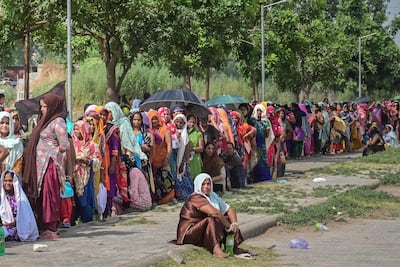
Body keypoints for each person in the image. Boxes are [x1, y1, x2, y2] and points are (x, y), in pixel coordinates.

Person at [22, 92, 70, 239]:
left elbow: (65, 144)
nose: (42, 109)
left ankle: (50, 227)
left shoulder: (58, 122)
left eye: (44, 107)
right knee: (42, 195)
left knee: (49, 195)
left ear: (52, 106)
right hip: (39, 166)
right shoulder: (45, 121)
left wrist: (51, 152)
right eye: (41, 106)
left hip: (50, 166)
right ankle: (44, 227)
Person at [176, 173, 244, 258]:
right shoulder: (195, 197)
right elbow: (215, 213)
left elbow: (229, 209)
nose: (206, 186)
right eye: (203, 184)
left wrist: (234, 224)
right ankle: (216, 250)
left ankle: (234, 247)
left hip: (202, 230)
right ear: (198, 185)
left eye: (208, 184)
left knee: (227, 218)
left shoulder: (213, 196)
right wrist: (228, 227)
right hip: (188, 233)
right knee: (212, 219)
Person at [0, 170, 39, 241]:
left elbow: (24, 218)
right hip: (4, 226)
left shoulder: (21, 199)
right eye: (5, 181)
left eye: (10, 181)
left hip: (18, 227)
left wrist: (13, 223)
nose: (7, 183)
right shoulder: (2, 197)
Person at [0, 111, 24, 176]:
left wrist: (11, 175)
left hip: (11, 177)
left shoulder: (16, 141)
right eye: (2, 123)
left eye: (7, 123)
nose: (4, 126)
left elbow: (19, 161)